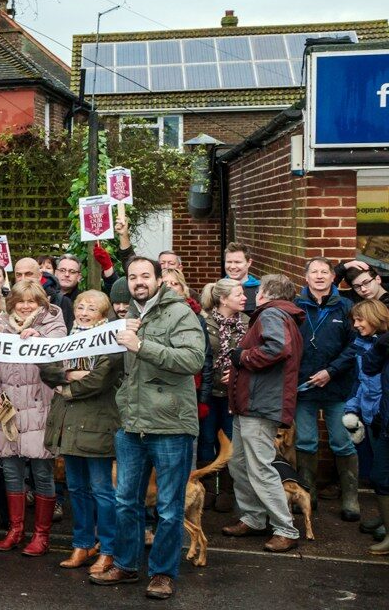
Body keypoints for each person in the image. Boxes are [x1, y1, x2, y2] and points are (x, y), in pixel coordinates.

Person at [91, 256, 207, 600]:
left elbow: (192, 360)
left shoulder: (180, 313)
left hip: (171, 425)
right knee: (126, 501)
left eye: (146, 276)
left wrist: (141, 346)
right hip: (131, 425)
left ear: (159, 279)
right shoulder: (125, 317)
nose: (139, 281)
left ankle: (162, 573)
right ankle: (126, 565)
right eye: (133, 276)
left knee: (169, 508)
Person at [221, 273, 306, 552]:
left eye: (257, 290)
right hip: (250, 404)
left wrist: (242, 357)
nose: (253, 293)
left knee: (259, 467)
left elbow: (276, 349)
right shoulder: (279, 314)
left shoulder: (271, 314)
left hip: (259, 405)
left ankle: (285, 528)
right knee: (239, 463)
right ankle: (254, 518)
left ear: (266, 292)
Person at [41, 290, 123, 570]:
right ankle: (82, 545)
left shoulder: (110, 343)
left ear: (102, 314)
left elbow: (100, 380)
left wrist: (66, 389)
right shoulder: (68, 339)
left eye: (91, 308)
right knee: (76, 489)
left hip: (98, 424)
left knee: (102, 491)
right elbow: (46, 369)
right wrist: (68, 375)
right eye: (80, 307)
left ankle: (109, 549)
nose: (84, 312)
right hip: (69, 425)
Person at [0, 282, 67, 556]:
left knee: (42, 473)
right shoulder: (0, 326)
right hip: (8, 413)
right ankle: (16, 529)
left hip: (39, 411)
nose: (25, 306)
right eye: (20, 301)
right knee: (11, 472)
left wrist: (40, 339)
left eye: (31, 301)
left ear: (41, 303)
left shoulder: (55, 326)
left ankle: (41, 535)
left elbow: (60, 361)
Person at [294, 256, 361, 519]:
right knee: (306, 441)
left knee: (342, 441)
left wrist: (330, 372)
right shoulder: (296, 307)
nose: (320, 276)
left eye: (325, 272)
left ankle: (351, 499)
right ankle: (306, 495)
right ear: (306, 277)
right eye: (314, 272)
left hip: (338, 387)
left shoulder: (346, 307)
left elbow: (354, 346)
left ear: (334, 277)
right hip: (304, 388)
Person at [199, 277, 247, 510]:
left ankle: (227, 491)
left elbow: (253, 356)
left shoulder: (247, 323)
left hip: (234, 395)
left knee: (230, 440)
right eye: (239, 294)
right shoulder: (204, 322)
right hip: (210, 393)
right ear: (223, 299)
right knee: (207, 440)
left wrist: (239, 374)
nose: (245, 298)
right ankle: (207, 489)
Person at [348, 298, 389, 555]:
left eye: (360, 319)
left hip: (383, 418)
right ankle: (385, 521)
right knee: (378, 475)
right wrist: (352, 409)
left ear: (374, 318)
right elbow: (364, 382)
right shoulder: (366, 343)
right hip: (374, 417)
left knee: (382, 475)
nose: (355, 325)